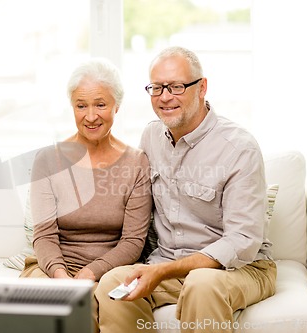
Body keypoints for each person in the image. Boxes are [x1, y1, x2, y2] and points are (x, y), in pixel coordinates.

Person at [94, 46, 277, 333]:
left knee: (201, 283)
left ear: (202, 87)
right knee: (112, 284)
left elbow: (242, 241)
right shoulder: (151, 136)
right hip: (168, 264)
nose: (165, 97)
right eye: (157, 88)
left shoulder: (239, 148)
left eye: (176, 87)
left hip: (238, 269)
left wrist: (163, 271)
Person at [20, 58, 152, 284]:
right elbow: (44, 236)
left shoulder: (136, 163)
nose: (91, 116)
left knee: (101, 302)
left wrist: (90, 273)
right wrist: (61, 278)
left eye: (100, 105)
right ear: (72, 106)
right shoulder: (48, 161)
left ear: (116, 106)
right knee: (54, 302)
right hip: (52, 269)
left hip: (112, 271)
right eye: (81, 106)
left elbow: (132, 241)